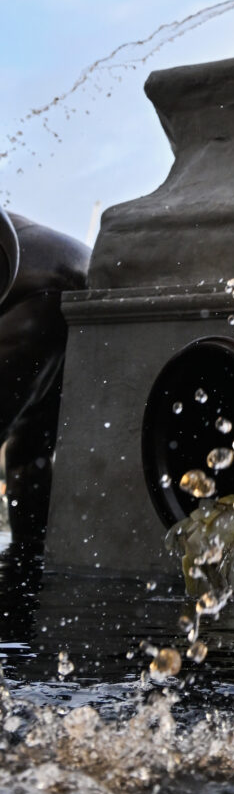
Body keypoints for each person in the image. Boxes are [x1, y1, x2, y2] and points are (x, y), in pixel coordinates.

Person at [0, 208, 89, 555]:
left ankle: (28, 558)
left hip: (45, 279)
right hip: (62, 272)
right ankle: (29, 558)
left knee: (27, 444)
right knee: (29, 450)